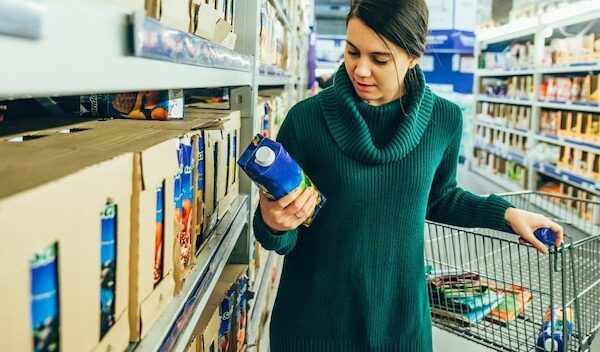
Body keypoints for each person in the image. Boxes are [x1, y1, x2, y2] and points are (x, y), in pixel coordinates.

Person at [253, 0, 564, 351]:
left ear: (413, 56)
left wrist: (506, 214)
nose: (361, 70)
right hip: (313, 325)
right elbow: (283, 236)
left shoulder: (443, 120)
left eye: (380, 59)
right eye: (352, 51)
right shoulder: (305, 120)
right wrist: (273, 223)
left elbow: (439, 196)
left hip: (400, 327)